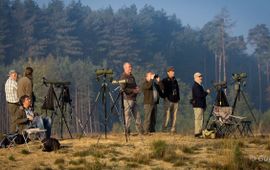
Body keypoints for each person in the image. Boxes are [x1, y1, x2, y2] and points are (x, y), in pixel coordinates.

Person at [120, 62, 143, 134]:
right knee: (128, 116)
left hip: (133, 99)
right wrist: (133, 90)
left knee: (137, 115)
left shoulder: (132, 76)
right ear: (125, 68)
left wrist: (137, 88)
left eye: (131, 66)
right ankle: (127, 131)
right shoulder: (123, 77)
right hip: (127, 99)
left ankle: (141, 131)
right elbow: (123, 89)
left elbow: (135, 85)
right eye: (129, 67)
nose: (131, 68)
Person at [160, 66, 180, 133]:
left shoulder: (175, 80)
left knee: (174, 116)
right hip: (168, 100)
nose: (173, 72)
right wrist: (164, 97)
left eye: (173, 71)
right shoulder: (165, 80)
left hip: (175, 100)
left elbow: (177, 89)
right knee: (167, 115)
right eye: (171, 71)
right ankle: (164, 129)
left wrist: (178, 98)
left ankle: (173, 129)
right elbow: (161, 88)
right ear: (168, 72)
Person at [191, 72, 210, 138]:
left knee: (200, 119)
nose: (201, 78)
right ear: (195, 78)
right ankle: (197, 133)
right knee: (198, 119)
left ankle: (199, 132)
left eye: (201, 76)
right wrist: (206, 92)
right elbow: (200, 95)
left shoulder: (199, 86)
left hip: (200, 105)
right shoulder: (196, 86)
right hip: (198, 105)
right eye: (199, 76)